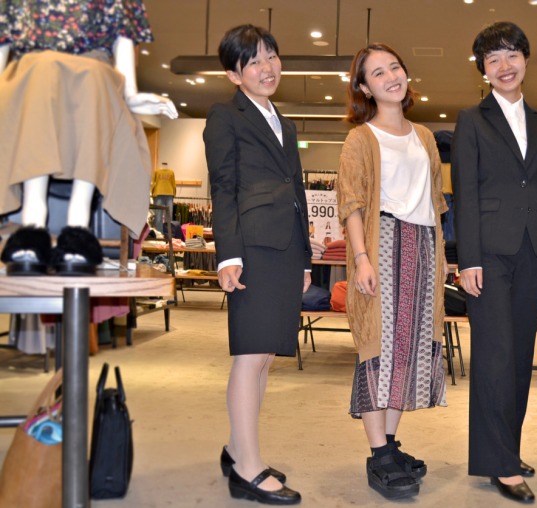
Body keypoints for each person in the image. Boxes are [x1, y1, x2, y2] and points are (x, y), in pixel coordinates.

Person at [451, 21, 537, 504]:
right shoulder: (471, 120)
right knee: (495, 357)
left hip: (534, 251)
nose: (504, 65)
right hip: (489, 255)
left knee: (520, 357)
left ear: (525, 59)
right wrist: (468, 259)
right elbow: (465, 194)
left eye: (511, 55)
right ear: (483, 68)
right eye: (493, 58)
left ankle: (506, 452)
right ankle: (500, 464)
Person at [203, 24, 312, 505]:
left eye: (271, 56)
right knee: (250, 355)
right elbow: (222, 186)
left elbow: (297, 192)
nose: (267, 68)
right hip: (251, 248)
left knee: (266, 355)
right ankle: (248, 469)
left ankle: (237, 450)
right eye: (253, 62)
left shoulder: (284, 123)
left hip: (284, 249)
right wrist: (228, 254)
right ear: (234, 75)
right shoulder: (225, 116)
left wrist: (304, 257)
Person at [336, 43, 448, 500]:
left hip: (423, 245)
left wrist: (441, 257)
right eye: (378, 73)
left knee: (411, 347)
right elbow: (351, 203)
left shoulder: (424, 136)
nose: (390, 77)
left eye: (395, 67)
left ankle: (390, 443)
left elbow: (436, 201)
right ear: (364, 88)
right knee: (378, 348)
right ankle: (379, 453)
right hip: (381, 243)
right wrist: (361, 257)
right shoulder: (361, 138)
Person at [0, 0, 177, 275]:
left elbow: (123, 54)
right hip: (31, 75)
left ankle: (78, 226)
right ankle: (32, 225)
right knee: (40, 76)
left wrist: (132, 96)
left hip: (94, 75)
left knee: (93, 82)